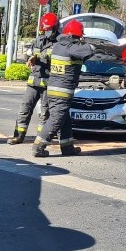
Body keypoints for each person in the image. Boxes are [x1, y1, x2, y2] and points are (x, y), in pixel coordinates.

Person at [31, 19, 96, 157]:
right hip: (62, 90)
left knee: (64, 119)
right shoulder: (72, 47)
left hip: (54, 88)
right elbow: (89, 50)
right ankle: (38, 146)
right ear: (74, 36)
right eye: (79, 37)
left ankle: (67, 148)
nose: (80, 39)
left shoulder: (59, 46)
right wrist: (93, 45)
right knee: (56, 119)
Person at [7, 12, 60, 145]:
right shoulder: (39, 39)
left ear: (55, 28)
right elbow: (29, 53)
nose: (47, 32)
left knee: (44, 113)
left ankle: (40, 139)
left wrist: (39, 57)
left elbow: (54, 58)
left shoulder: (60, 42)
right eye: (45, 29)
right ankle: (18, 136)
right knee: (24, 108)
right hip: (34, 80)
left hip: (48, 82)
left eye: (49, 29)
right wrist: (28, 57)